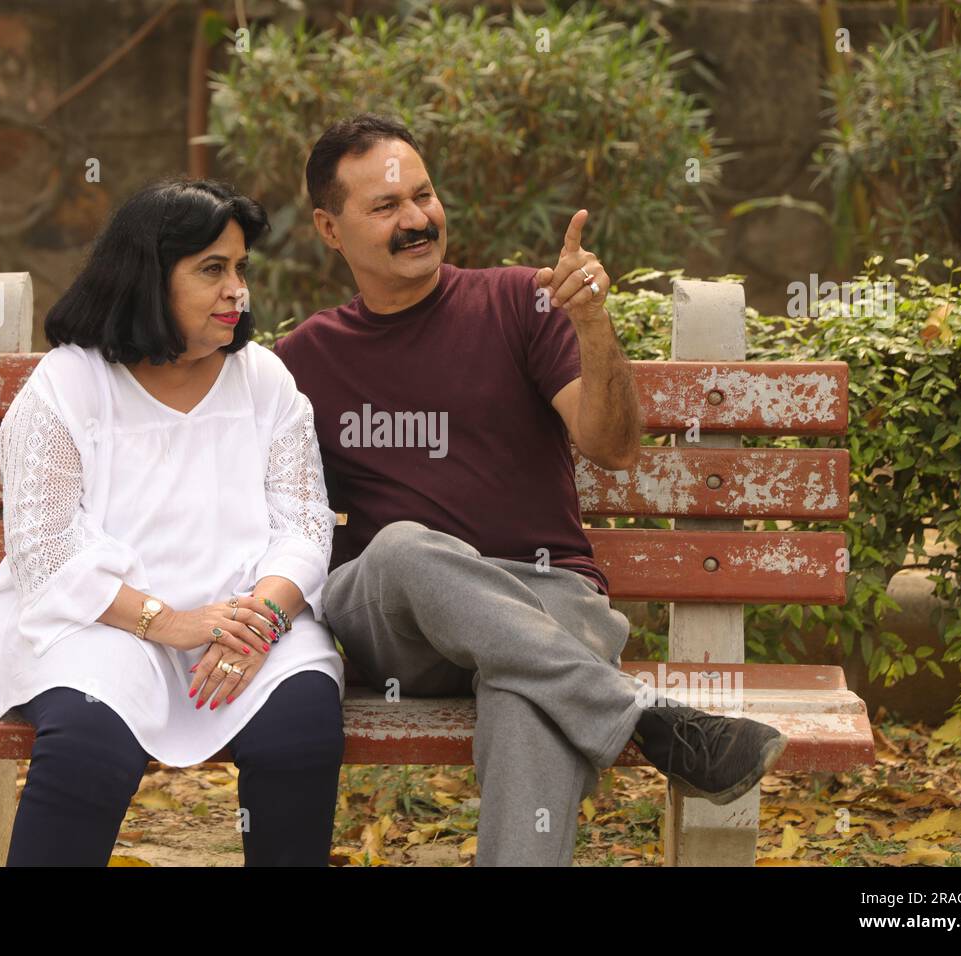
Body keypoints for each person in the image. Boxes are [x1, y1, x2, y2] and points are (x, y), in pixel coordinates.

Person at [273, 114, 788, 867]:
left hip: (547, 602)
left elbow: (613, 447)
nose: (417, 220)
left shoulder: (522, 303)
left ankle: (602, 715)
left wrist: (591, 321)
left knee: (529, 698)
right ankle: (643, 718)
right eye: (386, 208)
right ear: (328, 227)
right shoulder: (304, 360)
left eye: (423, 195)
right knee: (404, 548)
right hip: (398, 625)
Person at [0, 178, 345, 867]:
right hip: (99, 626)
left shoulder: (264, 379)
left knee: (302, 728)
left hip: (247, 619)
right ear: (146, 278)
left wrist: (264, 620)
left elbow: (306, 523)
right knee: (88, 746)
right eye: (212, 270)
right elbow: (46, 553)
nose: (238, 291)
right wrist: (178, 624)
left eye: (241, 269)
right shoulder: (68, 384)